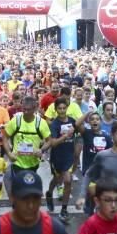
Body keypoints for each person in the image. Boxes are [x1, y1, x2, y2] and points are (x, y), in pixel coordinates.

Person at [79, 122, 117, 214]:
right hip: (104, 206)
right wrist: (82, 196)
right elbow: (88, 175)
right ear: (112, 135)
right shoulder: (102, 156)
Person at [46, 96, 80, 224]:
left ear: (67, 108)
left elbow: (80, 132)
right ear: (55, 110)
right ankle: (49, 193)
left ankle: (64, 209)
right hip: (57, 157)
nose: (62, 110)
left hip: (69, 157)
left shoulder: (72, 121)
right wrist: (66, 136)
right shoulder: (54, 124)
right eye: (59, 108)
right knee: (57, 179)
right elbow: (53, 143)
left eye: (64, 108)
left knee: (67, 180)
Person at [2, 95, 52, 175]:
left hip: (33, 162)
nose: (26, 112)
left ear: (35, 109)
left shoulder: (41, 123)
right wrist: (9, 154)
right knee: (18, 186)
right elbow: (5, 137)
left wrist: (41, 150)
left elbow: (49, 140)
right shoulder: (16, 121)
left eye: (29, 110)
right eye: (24, 109)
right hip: (17, 162)